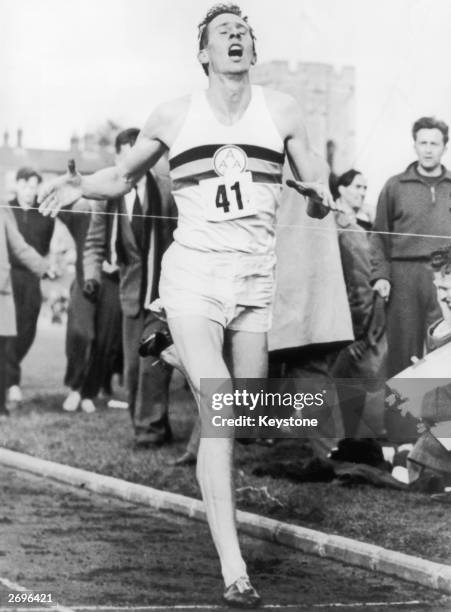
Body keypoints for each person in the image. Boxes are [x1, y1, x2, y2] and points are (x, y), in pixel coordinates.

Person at [38, 4, 336, 607]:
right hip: (194, 275)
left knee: (242, 413)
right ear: (204, 52)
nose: (235, 37)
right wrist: (78, 185)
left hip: (255, 281)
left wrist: (318, 194)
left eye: (243, 32)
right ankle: (235, 570)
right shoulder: (175, 114)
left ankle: (165, 346)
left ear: (253, 49)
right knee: (222, 404)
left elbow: (316, 179)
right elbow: (121, 176)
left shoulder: (282, 109)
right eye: (223, 32)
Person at [83, 128, 176, 447]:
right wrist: (91, 277)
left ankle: (148, 432)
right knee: (135, 370)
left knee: (154, 365)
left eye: (137, 153)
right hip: (130, 294)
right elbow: (95, 243)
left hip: (163, 291)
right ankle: (154, 425)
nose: (131, 161)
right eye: (124, 154)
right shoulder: (107, 198)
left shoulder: (166, 191)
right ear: (118, 159)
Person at [371, 117, 451, 378]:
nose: (428, 149)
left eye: (435, 144)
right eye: (423, 142)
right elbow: (379, 236)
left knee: (444, 346)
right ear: (414, 145)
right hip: (404, 275)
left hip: (444, 277)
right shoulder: (395, 186)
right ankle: (399, 416)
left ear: (445, 147)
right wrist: (381, 275)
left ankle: (441, 417)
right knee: (403, 351)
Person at [331, 169, 386, 438]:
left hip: (356, 325)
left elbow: (363, 286)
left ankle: (352, 444)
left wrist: (359, 333)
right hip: (344, 321)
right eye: (357, 187)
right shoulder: (340, 224)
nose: (362, 193)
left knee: (350, 384)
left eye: (365, 188)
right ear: (340, 189)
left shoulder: (352, 228)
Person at [60, 200, 123, 413]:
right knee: (81, 332)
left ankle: (89, 392)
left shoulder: (127, 206)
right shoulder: (83, 209)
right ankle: (75, 388)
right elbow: (60, 210)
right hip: (85, 277)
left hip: (115, 281)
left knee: (105, 341)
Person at [6, 167, 55, 405]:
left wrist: (44, 268)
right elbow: (15, 248)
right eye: (25, 185)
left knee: (27, 331)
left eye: (33, 186)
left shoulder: (44, 215)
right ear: (17, 185)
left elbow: (43, 248)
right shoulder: (7, 209)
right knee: (7, 333)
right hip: (8, 278)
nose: (29, 191)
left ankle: (8, 374)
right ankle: (11, 382)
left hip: (32, 278)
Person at [0, 206, 53, 417]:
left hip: (1, 292)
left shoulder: (3, 212)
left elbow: (20, 247)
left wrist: (43, 267)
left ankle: (1, 408)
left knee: (2, 353)